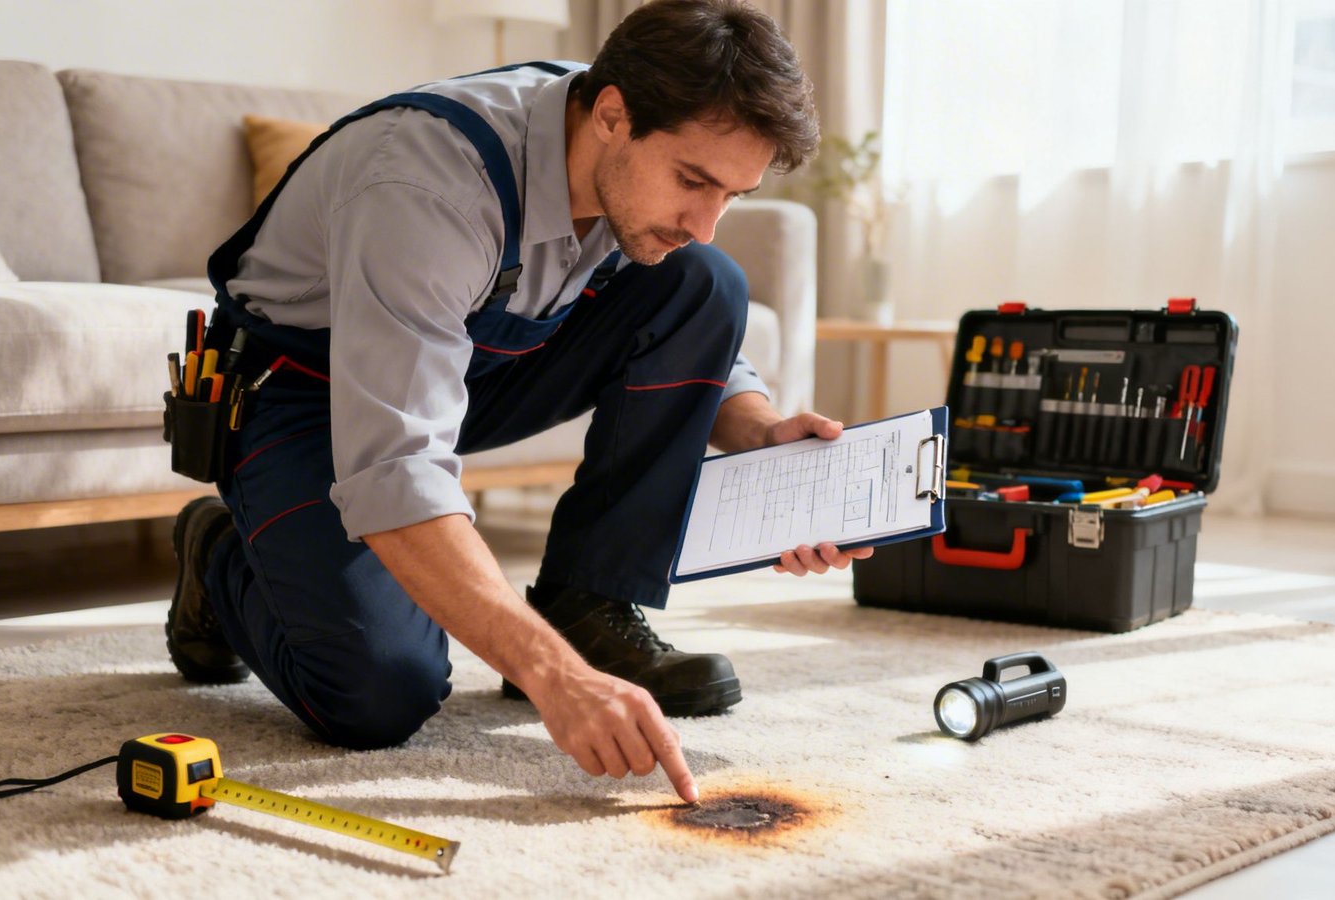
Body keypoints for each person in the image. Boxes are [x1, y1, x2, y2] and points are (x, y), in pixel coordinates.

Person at [167, 0, 867, 804]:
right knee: (377, 693)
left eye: (731, 195)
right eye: (692, 182)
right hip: (298, 396)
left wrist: (761, 432)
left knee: (703, 281)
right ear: (612, 116)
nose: (705, 221)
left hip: (454, 369)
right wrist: (552, 675)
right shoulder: (425, 185)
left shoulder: (617, 141)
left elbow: (675, 321)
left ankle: (587, 606)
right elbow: (397, 467)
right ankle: (219, 550)